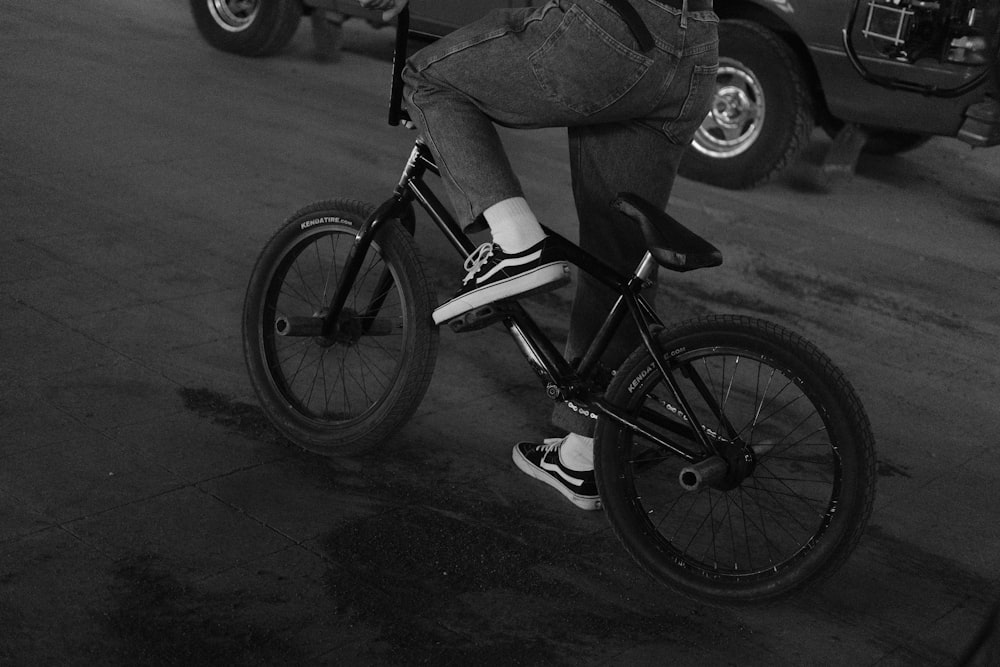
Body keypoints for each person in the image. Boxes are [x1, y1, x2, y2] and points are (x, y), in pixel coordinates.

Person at [359, 0, 718, 511]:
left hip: (618, 30)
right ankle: (584, 453)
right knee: (616, 255)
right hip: (696, 47)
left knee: (429, 79)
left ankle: (515, 243)